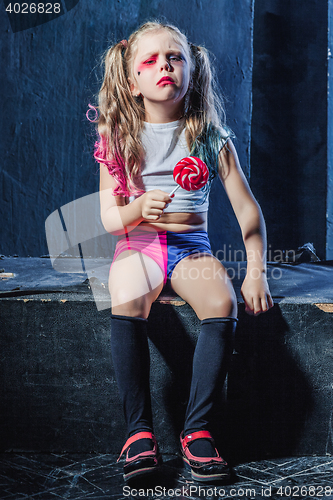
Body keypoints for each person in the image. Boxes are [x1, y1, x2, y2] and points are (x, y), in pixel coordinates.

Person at [90, 20, 273, 483]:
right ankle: (139, 434)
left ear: (192, 70)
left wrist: (256, 272)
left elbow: (248, 213)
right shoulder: (118, 136)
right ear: (132, 82)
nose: (163, 66)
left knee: (222, 301)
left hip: (192, 248)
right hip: (139, 244)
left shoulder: (210, 137)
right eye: (149, 61)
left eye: (174, 57)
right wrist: (136, 208)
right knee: (128, 292)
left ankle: (198, 431)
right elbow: (109, 219)